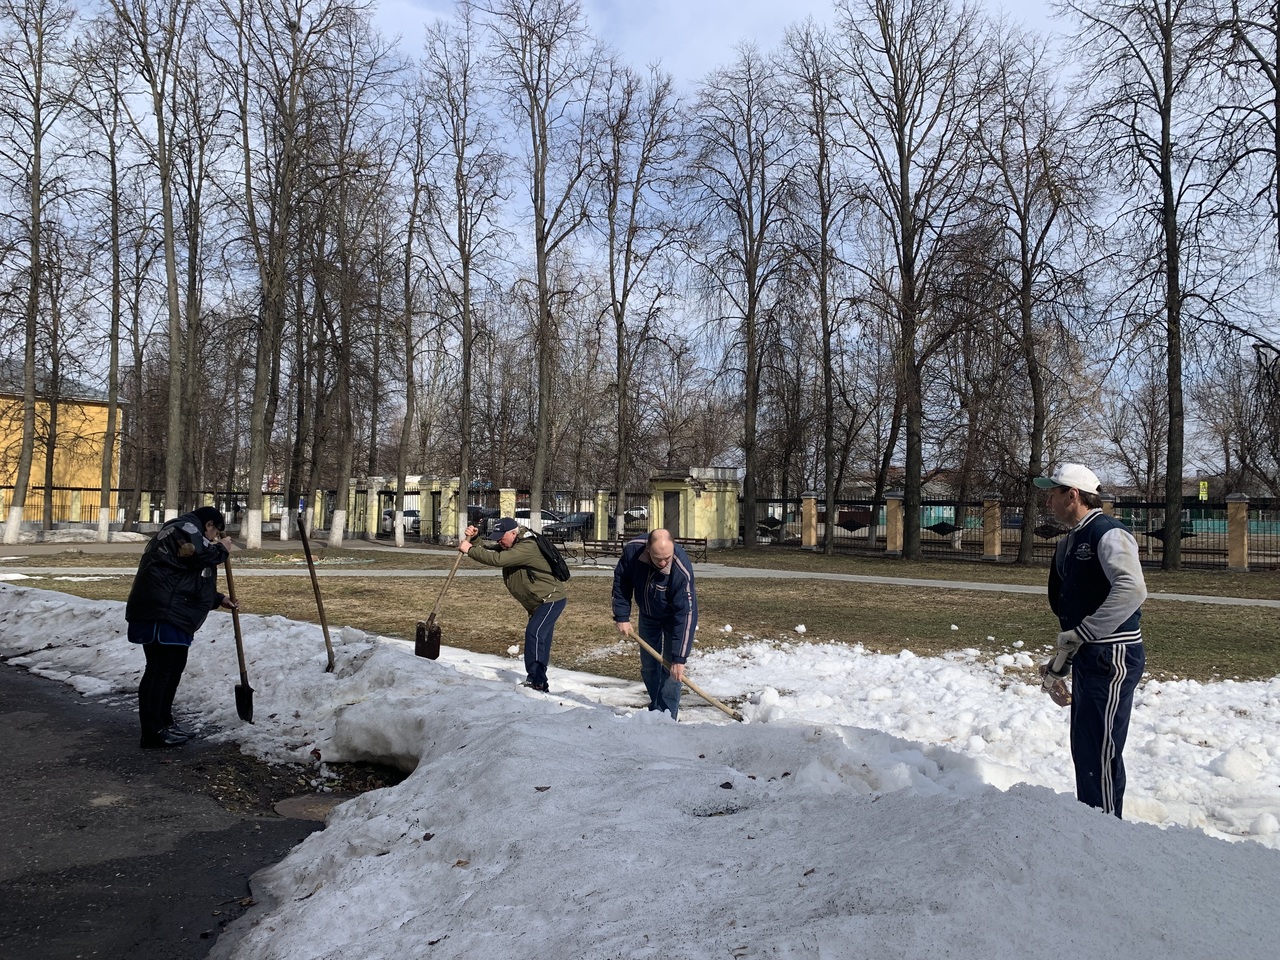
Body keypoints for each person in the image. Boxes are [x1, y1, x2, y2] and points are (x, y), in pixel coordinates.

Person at [1034, 463, 1147, 817]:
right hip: (1091, 655)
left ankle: (1106, 832)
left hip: (1111, 655)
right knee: (1086, 750)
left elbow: (1132, 590)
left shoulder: (1108, 533)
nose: (1048, 502)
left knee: (1100, 753)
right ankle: (1091, 825)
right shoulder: (1072, 539)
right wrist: (1060, 663)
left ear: (1073, 495)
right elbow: (1077, 610)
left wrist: (1083, 634)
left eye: (1052, 494)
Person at [125, 506, 237, 749]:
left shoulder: (188, 533)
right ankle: (152, 732)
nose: (214, 538)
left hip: (173, 612)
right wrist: (222, 549)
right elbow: (201, 556)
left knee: (173, 668)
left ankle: (165, 722)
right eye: (215, 532)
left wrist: (217, 599)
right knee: (159, 670)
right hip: (162, 612)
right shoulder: (183, 529)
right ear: (209, 524)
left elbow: (187, 575)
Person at [460, 517, 567, 692]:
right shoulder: (512, 544)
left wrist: (470, 550)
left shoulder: (527, 547)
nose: (499, 541)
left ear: (512, 533)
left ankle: (536, 681)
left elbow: (498, 560)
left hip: (550, 599)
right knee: (540, 639)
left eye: (501, 537)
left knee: (534, 634)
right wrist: (476, 539)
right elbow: (489, 550)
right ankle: (540, 682)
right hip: (537, 602)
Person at [611, 529, 699, 719]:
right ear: (648, 549)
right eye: (658, 558)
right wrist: (622, 616)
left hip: (674, 618)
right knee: (649, 667)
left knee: (672, 671)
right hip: (648, 614)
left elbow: (686, 614)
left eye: (667, 558)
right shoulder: (633, 551)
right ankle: (657, 708)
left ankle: (666, 717)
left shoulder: (681, 568)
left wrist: (679, 658)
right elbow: (622, 581)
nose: (663, 563)